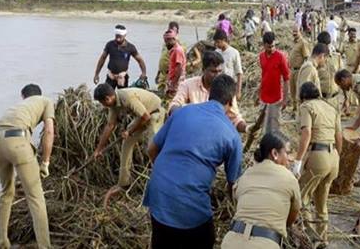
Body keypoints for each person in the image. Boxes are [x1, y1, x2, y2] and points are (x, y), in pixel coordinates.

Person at [144, 74, 244, 249]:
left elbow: (152, 149)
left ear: (210, 93)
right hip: (189, 206)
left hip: (158, 194)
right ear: (230, 101)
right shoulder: (232, 135)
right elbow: (233, 183)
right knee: (206, 239)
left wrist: (165, 174)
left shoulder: (183, 111)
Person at [0, 84, 55, 249]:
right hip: (17, 141)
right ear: (39, 94)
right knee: (35, 197)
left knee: (6, 191)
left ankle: (1, 242)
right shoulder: (46, 101)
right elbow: (49, 132)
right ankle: (45, 246)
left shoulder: (18, 107)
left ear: (23, 96)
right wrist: (45, 162)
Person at [221, 132, 301, 249]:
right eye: (287, 153)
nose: (290, 159)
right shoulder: (289, 178)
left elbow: (238, 205)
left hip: (231, 242)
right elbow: (293, 215)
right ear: (275, 153)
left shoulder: (245, 175)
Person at [92, 83, 164, 200]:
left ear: (107, 98)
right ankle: (124, 183)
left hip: (155, 112)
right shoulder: (114, 105)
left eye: (102, 103)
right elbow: (110, 126)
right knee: (127, 143)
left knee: (153, 147)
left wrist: (129, 131)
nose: (103, 106)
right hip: (143, 115)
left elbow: (146, 117)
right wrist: (99, 149)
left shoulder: (127, 97)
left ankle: (161, 180)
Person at [293, 82, 342, 245]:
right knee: (322, 201)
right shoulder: (331, 108)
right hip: (333, 156)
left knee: (303, 197)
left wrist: (298, 160)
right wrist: (336, 155)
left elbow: (306, 132)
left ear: (303, 97)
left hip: (318, 156)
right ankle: (323, 238)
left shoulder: (307, 106)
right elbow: (339, 136)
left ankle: (309, 238)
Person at [169, 51, 247, 133]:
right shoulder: (188, 85)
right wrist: (188, 113)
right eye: (213, 72)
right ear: (203, 70)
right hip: (191, 132)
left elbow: (235, 118)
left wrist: (246, 128)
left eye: (220, 71)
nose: (217, 75)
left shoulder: (226, 89)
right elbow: (174, 106)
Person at [257, 32, 290, 134]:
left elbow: (286, 78)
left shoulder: (281, 57)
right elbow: (263, 76)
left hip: (276, 98)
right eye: (269, 47)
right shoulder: (261, 56)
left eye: (273, 46)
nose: (272, 49)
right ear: (264, 45)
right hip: (264, 97)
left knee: (275, 127)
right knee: (263, 126)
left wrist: (285, 99)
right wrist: (258, 95)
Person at [213, 29, 244, 99]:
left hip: (230, 86)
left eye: (218, 42)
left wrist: (238, 91)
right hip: (218, 85)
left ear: (224, 40)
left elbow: (239, 73)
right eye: (216, 43)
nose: (217, 44)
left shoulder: (234, 53)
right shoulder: (216, 52)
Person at [316, 31, 343, 109]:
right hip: (320, 99)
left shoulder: (337, 58)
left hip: (334, 99)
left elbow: (342, 77)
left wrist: (346, 98)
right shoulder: (314, 59)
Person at [288, 27, 311, 111]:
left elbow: (306, 57)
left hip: (299, 70)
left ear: (300, 31)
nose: (294, 33)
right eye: (293, 31)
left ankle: (300, 111)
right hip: (292, 70)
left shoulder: (303, 43)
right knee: (292, 91)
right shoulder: (293, 42)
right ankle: (294, 109)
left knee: (299, 92)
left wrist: (304, 71)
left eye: (296, 31)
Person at [155, 22, 181, 90]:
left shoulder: (179, 47)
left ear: (177, 32)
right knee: (161, 93)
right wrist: (158, 74)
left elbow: (179, 67)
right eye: (170, 30)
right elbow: (162, 59)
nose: (171, 32)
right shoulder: (166, 44)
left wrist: (174, 83)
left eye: (173, 31)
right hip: (162, 74)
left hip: (170, 75)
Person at [164, 29, 186, 97]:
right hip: (173, 80)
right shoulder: (174, 50)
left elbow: (179, 68)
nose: (166, 44)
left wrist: (173, 84)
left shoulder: (177, 50)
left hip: (176, 82)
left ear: (173, 39)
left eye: (167, 41)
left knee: (173, 100)